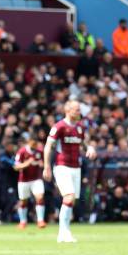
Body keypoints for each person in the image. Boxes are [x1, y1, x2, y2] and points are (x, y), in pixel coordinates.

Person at [43, 100, 97, 243]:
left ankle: (64, 232)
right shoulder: (59, 126)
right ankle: (63, 233)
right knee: (69, 196)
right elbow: (48, 146)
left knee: (71, 200)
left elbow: (84, 143)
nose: (79, 112)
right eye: (76, 110)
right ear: (68, 110)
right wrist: (46, 166)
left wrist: (89, 148)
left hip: (76, 168)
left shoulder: (80, 127)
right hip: (62, 167)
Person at [14, 135, 46, 229]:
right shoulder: (22, 152)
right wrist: (27, 163)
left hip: (36, 179)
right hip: (24, 180)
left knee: (40, 197)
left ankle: (40, 220)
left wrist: (42, 165)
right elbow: (16, 166)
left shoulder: (40, 152)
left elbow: (44, 163)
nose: (35, 145)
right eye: (33, 143)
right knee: (23, 201)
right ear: (29, 142)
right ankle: (23, 221)